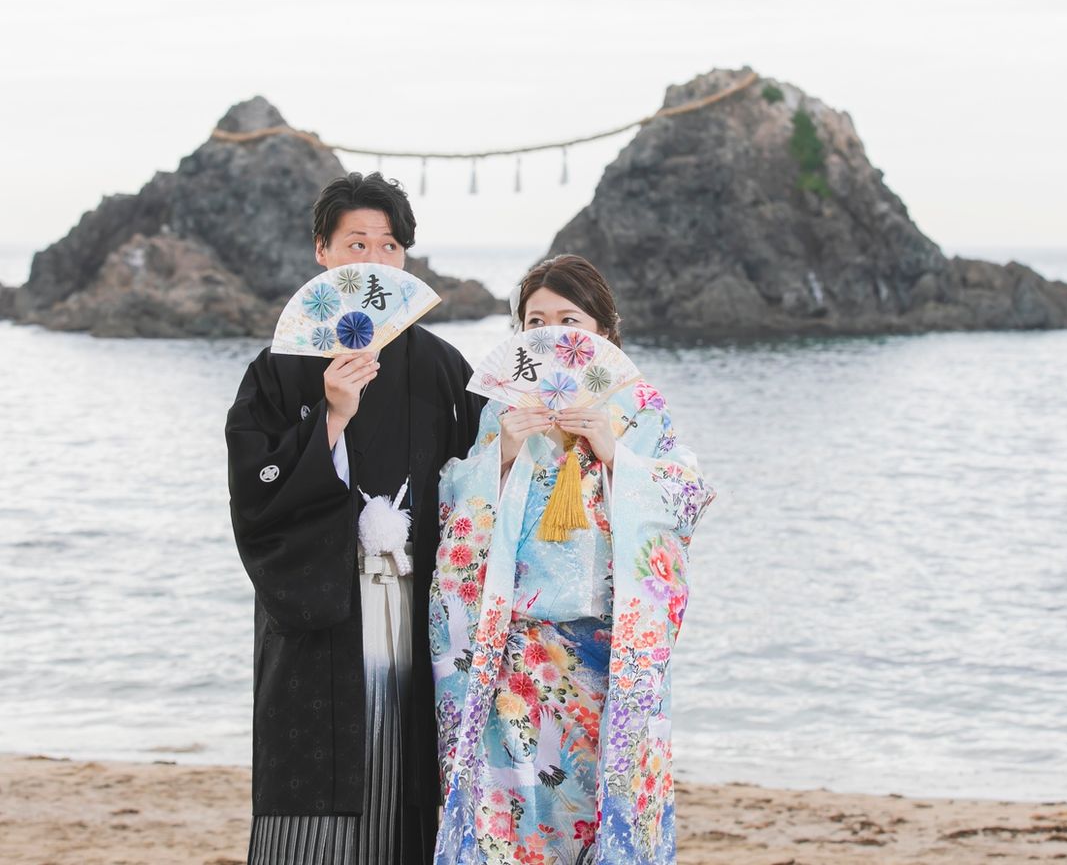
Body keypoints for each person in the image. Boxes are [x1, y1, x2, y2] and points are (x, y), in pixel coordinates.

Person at [226, 171, 484, 865]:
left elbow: (478, 483)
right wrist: (331, 418)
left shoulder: (441, 366)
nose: (374, 258)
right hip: (322, 603)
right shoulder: (280, 368)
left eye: (389, 245)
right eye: (356, 243)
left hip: (416, 597)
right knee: (314, 777)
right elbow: (255, 491)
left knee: (403, 771)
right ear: (323, 252)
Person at [430, 254, 715, 865]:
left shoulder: (639, 407)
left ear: (603, 330)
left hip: (605, 650)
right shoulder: (503, 408)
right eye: (536, 321)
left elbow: (685, 499)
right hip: (518, 646)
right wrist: (503, 455)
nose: (551, 332)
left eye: (569, 320)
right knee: (513, 812)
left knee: (595, 804)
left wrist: (615, 454)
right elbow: (454, 504)